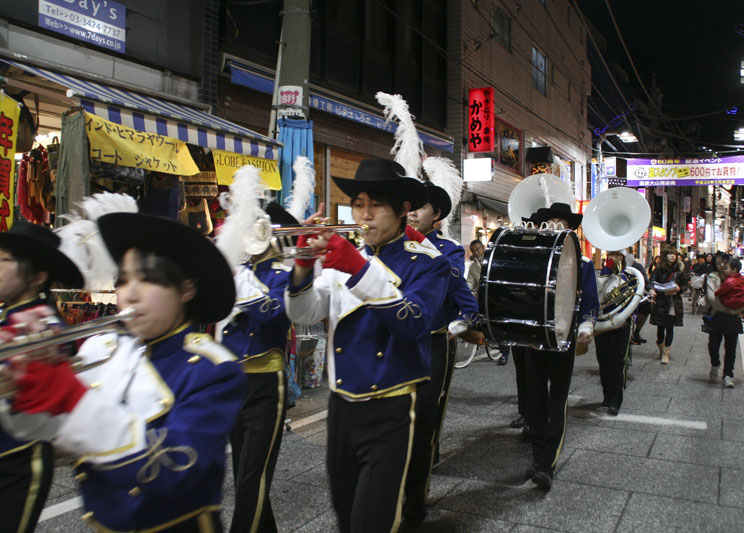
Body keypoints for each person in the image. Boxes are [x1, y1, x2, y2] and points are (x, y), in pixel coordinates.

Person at [0, 213, 245, 532]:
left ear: (186, 290)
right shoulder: (101, 349)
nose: (129, 294)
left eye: (148, 279)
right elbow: (52, 433)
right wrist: (21, 389)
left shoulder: (214, 368)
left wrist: (71, 398)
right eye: (123, 280)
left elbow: (173, 468)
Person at [285, 158, 450, 532]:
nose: (365, 215)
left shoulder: (428, 264)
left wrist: (358, 267)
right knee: (345, 515)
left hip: (390, 408)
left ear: (403, 209)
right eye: (359, 204)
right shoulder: (350, 256)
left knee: (372, 521)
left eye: (375, 205)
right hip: (340, 406)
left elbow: (414, 324)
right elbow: (304, 314)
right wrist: (301, 266)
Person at [404, 181, 482, 525]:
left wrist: (462, 322)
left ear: (436, 215)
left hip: (433, 342)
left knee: (424, 421)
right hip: (396, 344)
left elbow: (458, 288)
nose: (411, 213)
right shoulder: (391, 246)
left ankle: (415, 501)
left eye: (419, 208)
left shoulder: (449, 249)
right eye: (409, 206)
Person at [217, 201, 296, 533]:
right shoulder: (237, 272)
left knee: (253, 478)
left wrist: (241, 285)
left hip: (266, 383)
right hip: (234, 382)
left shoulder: (283, 274)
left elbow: (274, 313)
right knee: (244, 475)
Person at [0, 221, 84, 533]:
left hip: (18, 462)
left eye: (5, 260)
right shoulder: (7, 314)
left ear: (37, 277)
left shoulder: (44, 327)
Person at [514, 202, 599, 491]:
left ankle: (547, 462)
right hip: (534, 338)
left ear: (570, 228)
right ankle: (539, 458)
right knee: (535, 400)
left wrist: (586, 325)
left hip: (563, 340)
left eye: (562, 222)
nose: (556, 226)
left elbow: (589, 299)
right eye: (551, 221)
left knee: (557, 400)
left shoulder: (582, 263)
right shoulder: (533, 259)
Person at [594, 250, 635, 416]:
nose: (614, 258)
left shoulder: (629, 276)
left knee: (616, 361)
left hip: (621, 324)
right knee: (603, 360)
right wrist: (606, 273)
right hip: (601, 323)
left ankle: (615, 400)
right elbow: (595, 292)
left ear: (624, 258)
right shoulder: (600, 275)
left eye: (618, 255)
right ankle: (606, 395)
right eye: (611, 255)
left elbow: (634, 298)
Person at [704, 253, 744, 388]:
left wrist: (733, 311)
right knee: (713, 346)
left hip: (733, 317)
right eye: (719, 262)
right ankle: (715, 364)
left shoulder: (737, 278)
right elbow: (712, 298)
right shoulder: (712, 277)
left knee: (731, 348)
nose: (722, 264)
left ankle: (728, 375)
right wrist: (726, 309)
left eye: (724, 262)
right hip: (717, 316)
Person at [649, 248, 688, 364]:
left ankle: (666, 352)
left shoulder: (679, 271)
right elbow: (652, 282)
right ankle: (661, 347)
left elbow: (684, 284)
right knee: (660, 328)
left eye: (674, 254)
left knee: (669, 326)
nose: (672, 256)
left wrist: (679, 289)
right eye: (670, 254)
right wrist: (658, 292)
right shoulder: (658, 270)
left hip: (673, 302)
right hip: (661, 301)